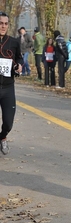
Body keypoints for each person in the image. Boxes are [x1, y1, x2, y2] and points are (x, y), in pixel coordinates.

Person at [0, 11, 23, 155]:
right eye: (1, 23)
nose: (3, 26)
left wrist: (19, 65)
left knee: (8, 121)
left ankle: (2, 137)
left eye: (6, 24)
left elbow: (20, 58)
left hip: (8, 88)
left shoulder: (14, 42)